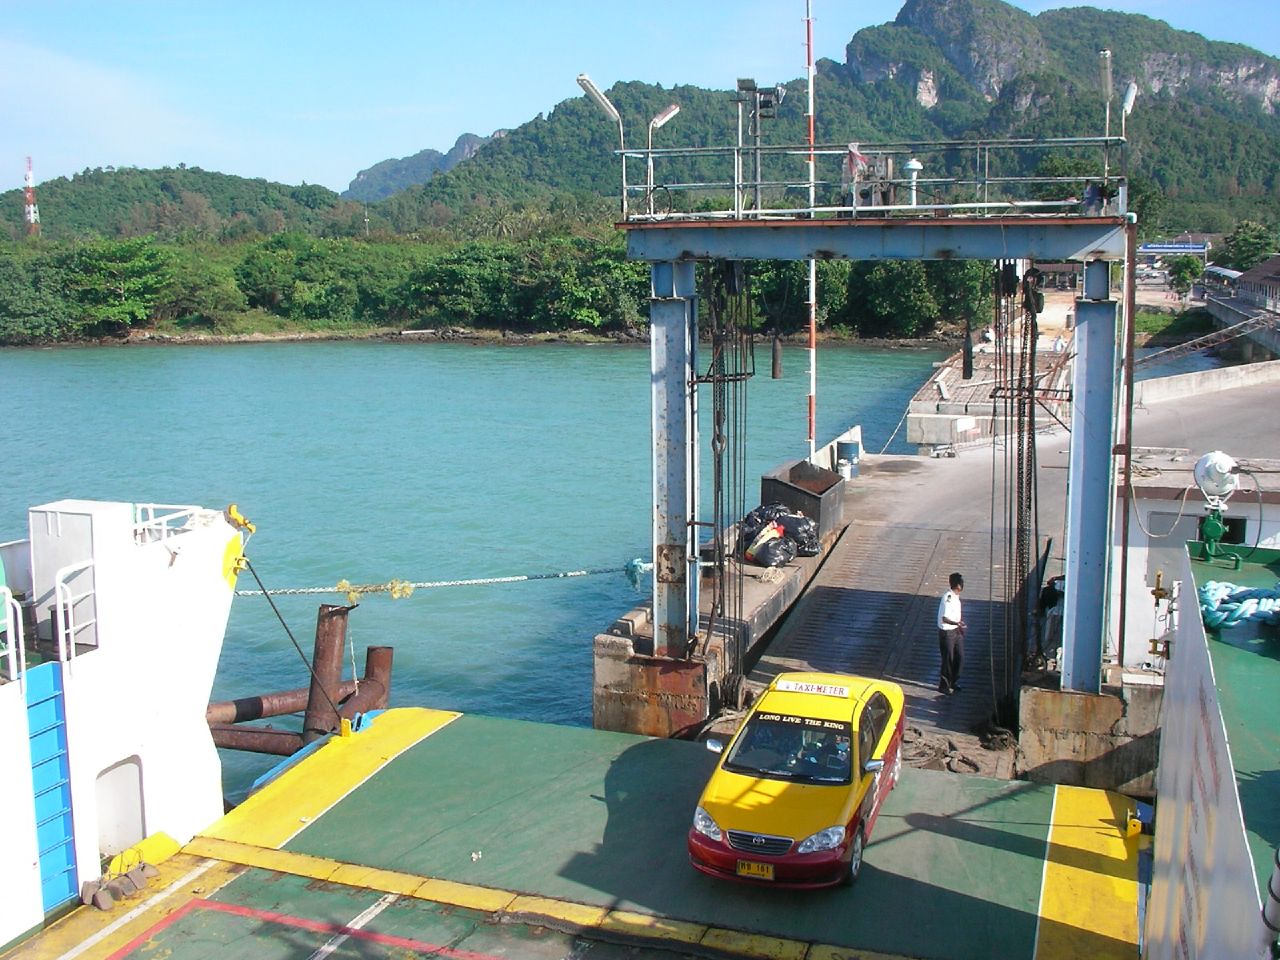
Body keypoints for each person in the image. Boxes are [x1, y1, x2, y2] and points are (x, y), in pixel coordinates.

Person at [937, 572, 966, 695]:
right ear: (958, 585)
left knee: (960, 656)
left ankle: (953, 680)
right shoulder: (948, 597)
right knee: (948, 658)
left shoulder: (955, 596)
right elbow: (945, 618)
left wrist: (958, 624)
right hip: (947, 632)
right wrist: (957, 624)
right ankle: (944, 684)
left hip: (955, 630)